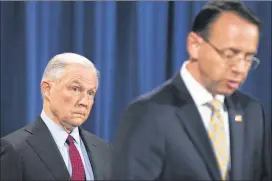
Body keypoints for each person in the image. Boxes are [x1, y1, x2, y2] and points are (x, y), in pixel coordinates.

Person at [111, 1, 271, 180]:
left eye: (248, 59)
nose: (240, 69)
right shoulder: (148, 114)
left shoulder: (252, 112)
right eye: (230, 54)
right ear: (194, 45)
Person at [0, 53, 111, 180]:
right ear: (47, 89)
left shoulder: (104, 150)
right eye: (75, 89)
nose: (84, 102)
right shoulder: (14, 150)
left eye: (90, 93)